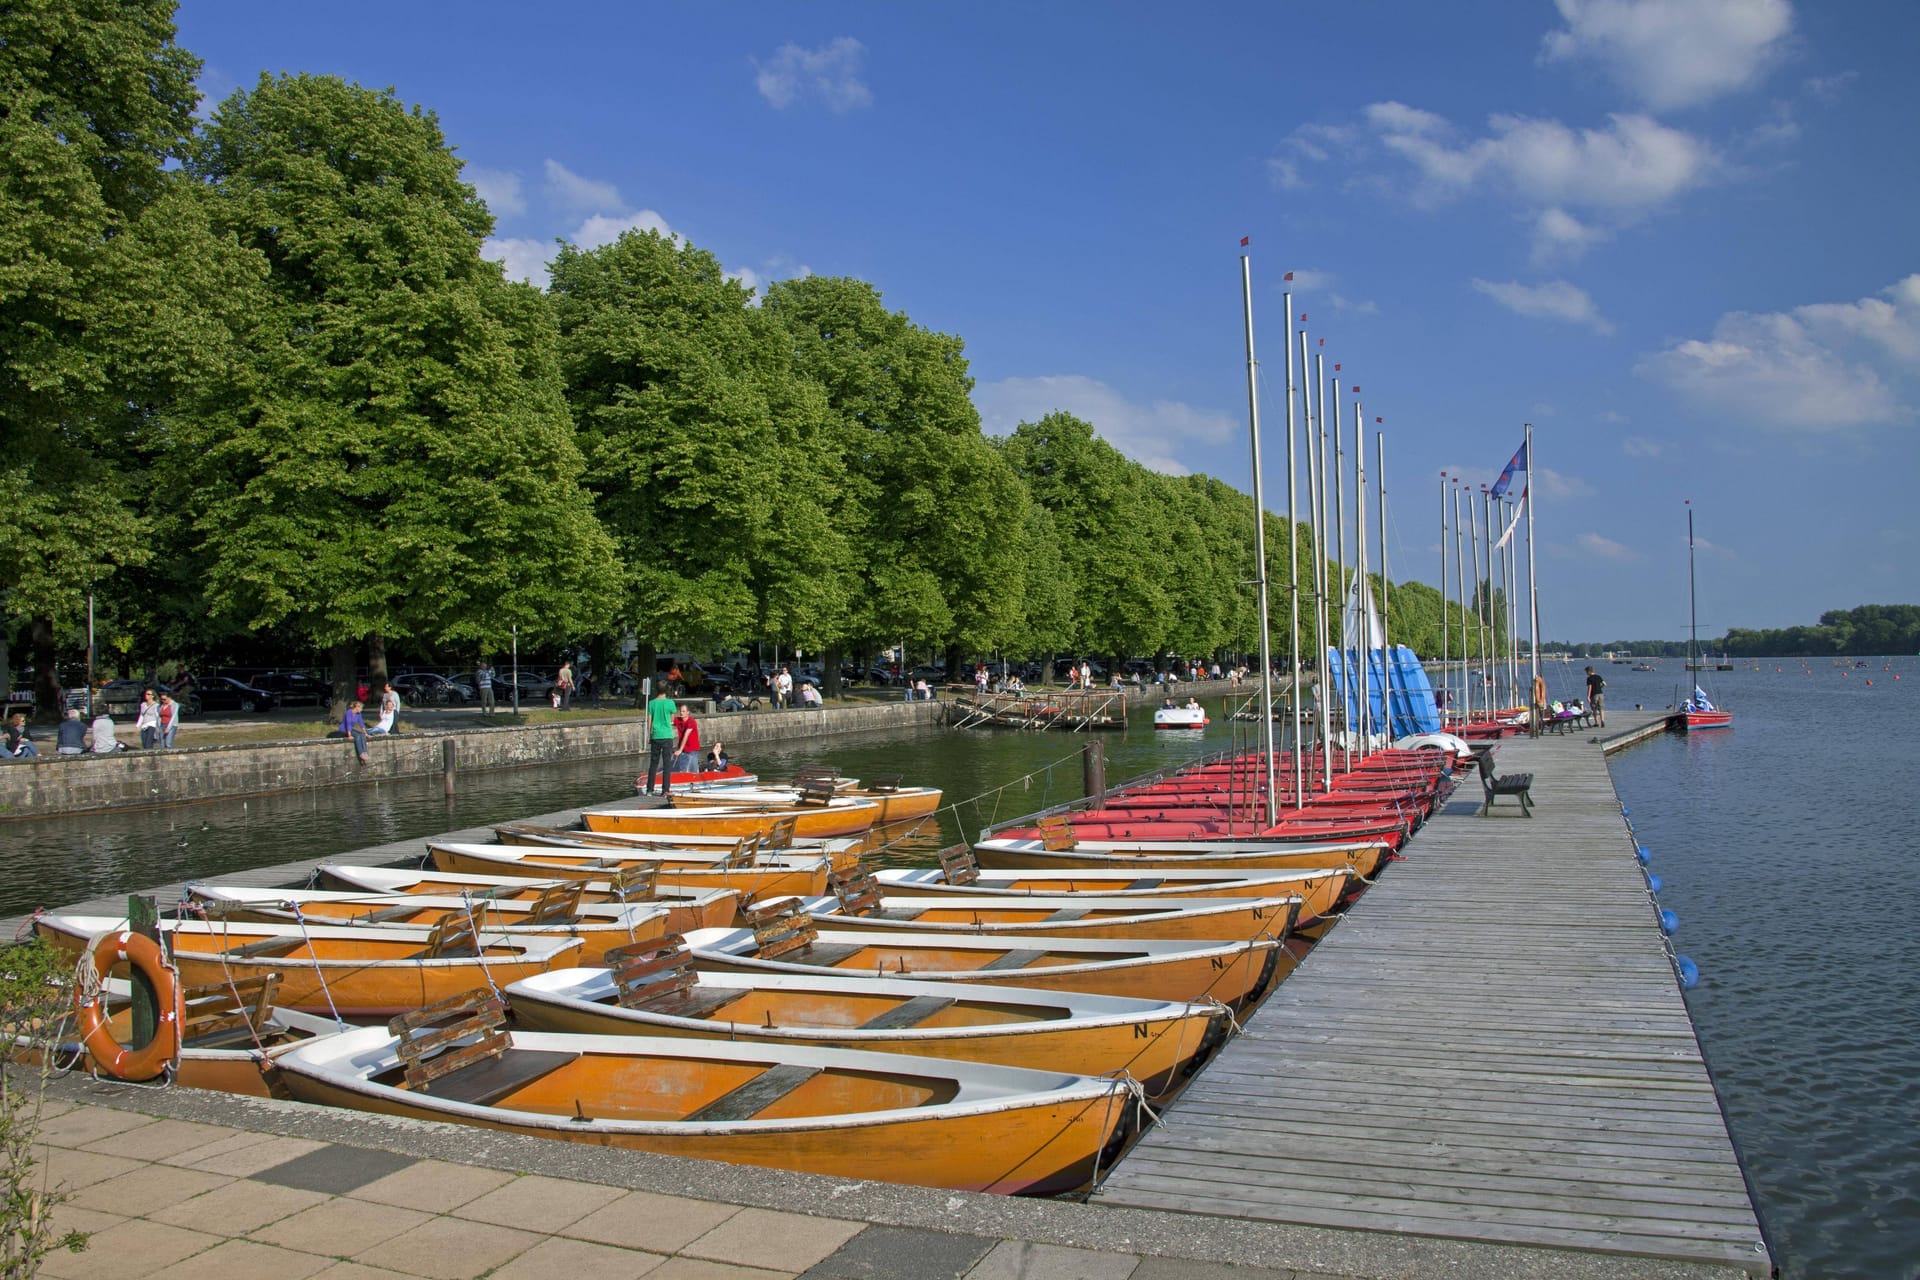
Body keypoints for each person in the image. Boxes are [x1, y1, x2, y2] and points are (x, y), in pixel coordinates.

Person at [645, 684, 677, 798]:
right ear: (667, 691)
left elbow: (649, 721)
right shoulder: (670, 703)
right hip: (667, 735)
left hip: (656, 735)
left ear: (656, 690)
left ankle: (649, 789)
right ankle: (665, 790)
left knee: (653, 763)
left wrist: (649, 735)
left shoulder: (651, 703)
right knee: (667, 763)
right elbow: (672, 719)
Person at [672, 705, 701, 775]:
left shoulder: (691, 721)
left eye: (683, 711)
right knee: (682, 769)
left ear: (688, 712)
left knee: (693, 771)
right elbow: (668, 723)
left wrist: (680, 750)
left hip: (692, 750)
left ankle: (696, 781)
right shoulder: (678, 720)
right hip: (683, 750)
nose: (681, 713)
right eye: (680, 711)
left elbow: (686, 735)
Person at [340, 699, 370, 764]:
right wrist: (349, 735)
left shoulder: (358, 714)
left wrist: (365, 733)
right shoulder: (349, 712)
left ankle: (365, 752)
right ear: (357, 707)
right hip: (344, 729)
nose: (361, 709)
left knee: (362, 735)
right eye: (361, 708)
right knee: (358, 736)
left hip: (350, 729)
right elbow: (348, 724)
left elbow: (361, 724)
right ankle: (361, 753)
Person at [1530, 670, 1549, 737]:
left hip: (1540, 702)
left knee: (1541, 716)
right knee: (1540, 716)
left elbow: (1541, 689)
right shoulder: (1538, 685)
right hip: (1539, 702)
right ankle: (1538, 729)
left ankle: (1539, 729)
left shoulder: (1540, 684)